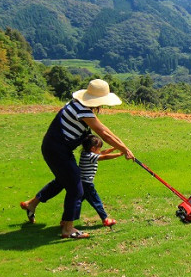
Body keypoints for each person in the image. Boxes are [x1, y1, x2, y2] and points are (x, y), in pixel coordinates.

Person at [20, 79, 134, 239]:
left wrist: (124, 147)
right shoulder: (83, 111)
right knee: (76, 188)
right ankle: (68, 228)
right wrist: (124, 149)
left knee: (62, 181)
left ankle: (31, 204)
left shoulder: (78, 105)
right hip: (57, 150)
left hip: (55, 148)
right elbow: (104, 133)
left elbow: (104, 130)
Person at [78, 134, 122, 227]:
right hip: (87, 184)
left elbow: (102, 153)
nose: (99, 150)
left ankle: (66, 220)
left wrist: (112, 149)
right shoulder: (90, 156)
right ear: (93, 148)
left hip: (81, 183)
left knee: (76, 201)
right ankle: (105, 219)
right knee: (96, 201)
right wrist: (119, 154)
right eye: (98, 148)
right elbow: (104, 157)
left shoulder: (85, 153)